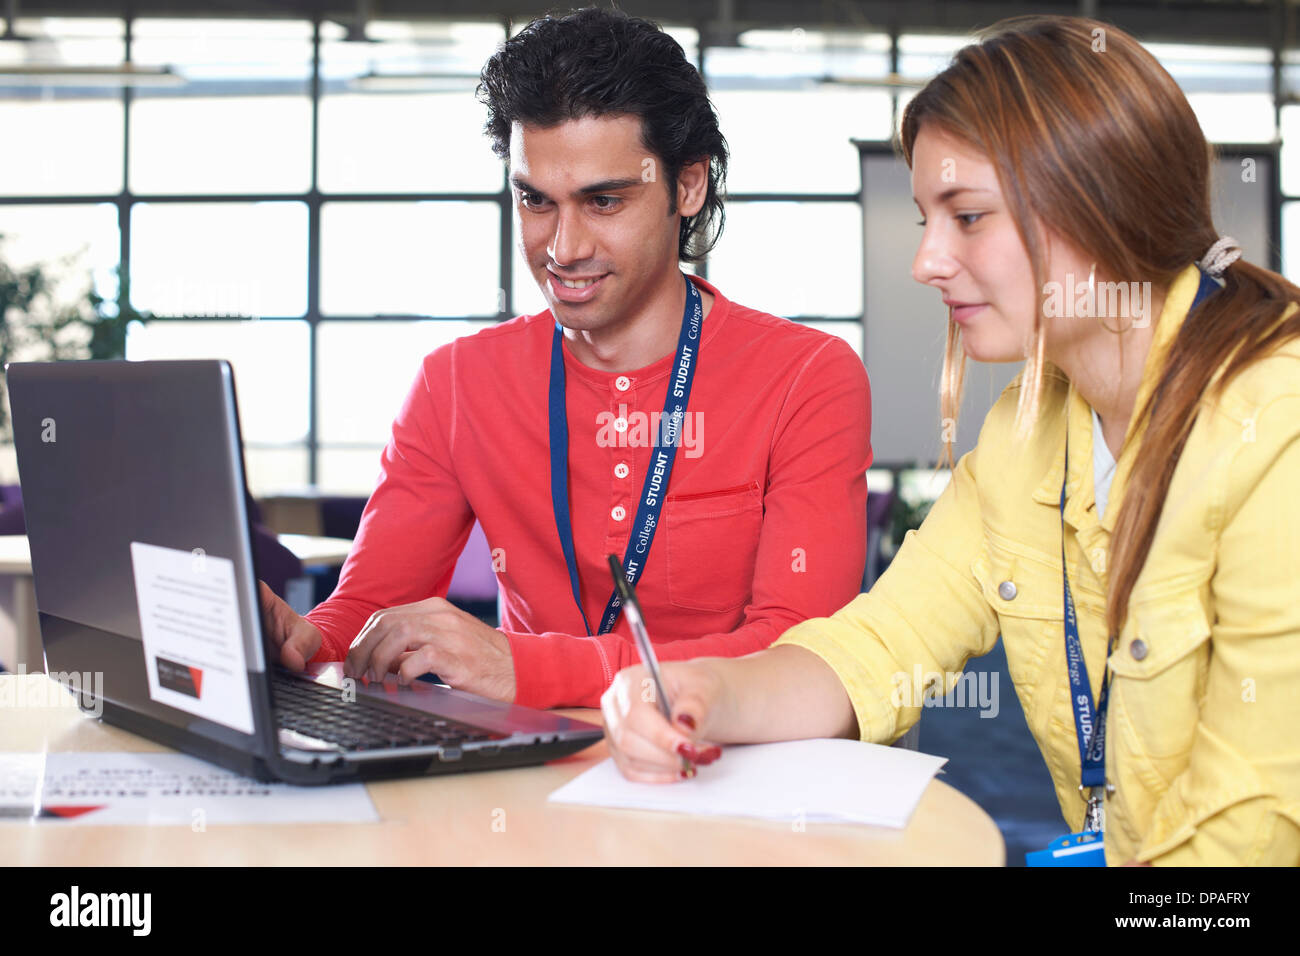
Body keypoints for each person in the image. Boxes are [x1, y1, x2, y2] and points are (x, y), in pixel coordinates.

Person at [600, 15, 1300, 865]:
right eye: (929, 217)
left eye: (966, 218)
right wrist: (706, 691)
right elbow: (886, 642)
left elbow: (1249, 840)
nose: (926, 261)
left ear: (1102, 204)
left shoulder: (1277, 431)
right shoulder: (1028, 433)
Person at [257, 7, 872, 710]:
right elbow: (366, 607)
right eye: (535, 201)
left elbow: (799, 649)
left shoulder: (805, 378)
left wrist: (526, 667)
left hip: (732, 771)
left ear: (689, 186)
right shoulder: (457, 383)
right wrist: (302, 638)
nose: (563, 248)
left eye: (603, 201)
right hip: (529, 781)